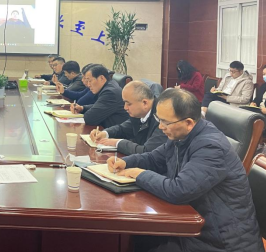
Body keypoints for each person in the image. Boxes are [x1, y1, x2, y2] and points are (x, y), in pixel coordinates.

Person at [108, 88, 264, 252]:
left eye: (165, 122)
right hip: (197, 228)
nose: (160, 126)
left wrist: (139, 174)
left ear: (188, 123)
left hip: (221, 242)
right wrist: (125, 162)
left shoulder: (211, 147)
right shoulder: (181, 135)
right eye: (158, 119)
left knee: (139, 241)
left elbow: (179, 190)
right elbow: (154, 158)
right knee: (137, 237)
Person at [91, 81, 167, 155]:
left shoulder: (163, 118)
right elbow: (123, 129)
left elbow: (147, 152)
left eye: (129, 104)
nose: (125, 107)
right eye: (124, 103)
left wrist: (118, 143)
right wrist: (105, 133)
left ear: (145, 103)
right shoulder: (138, 113)